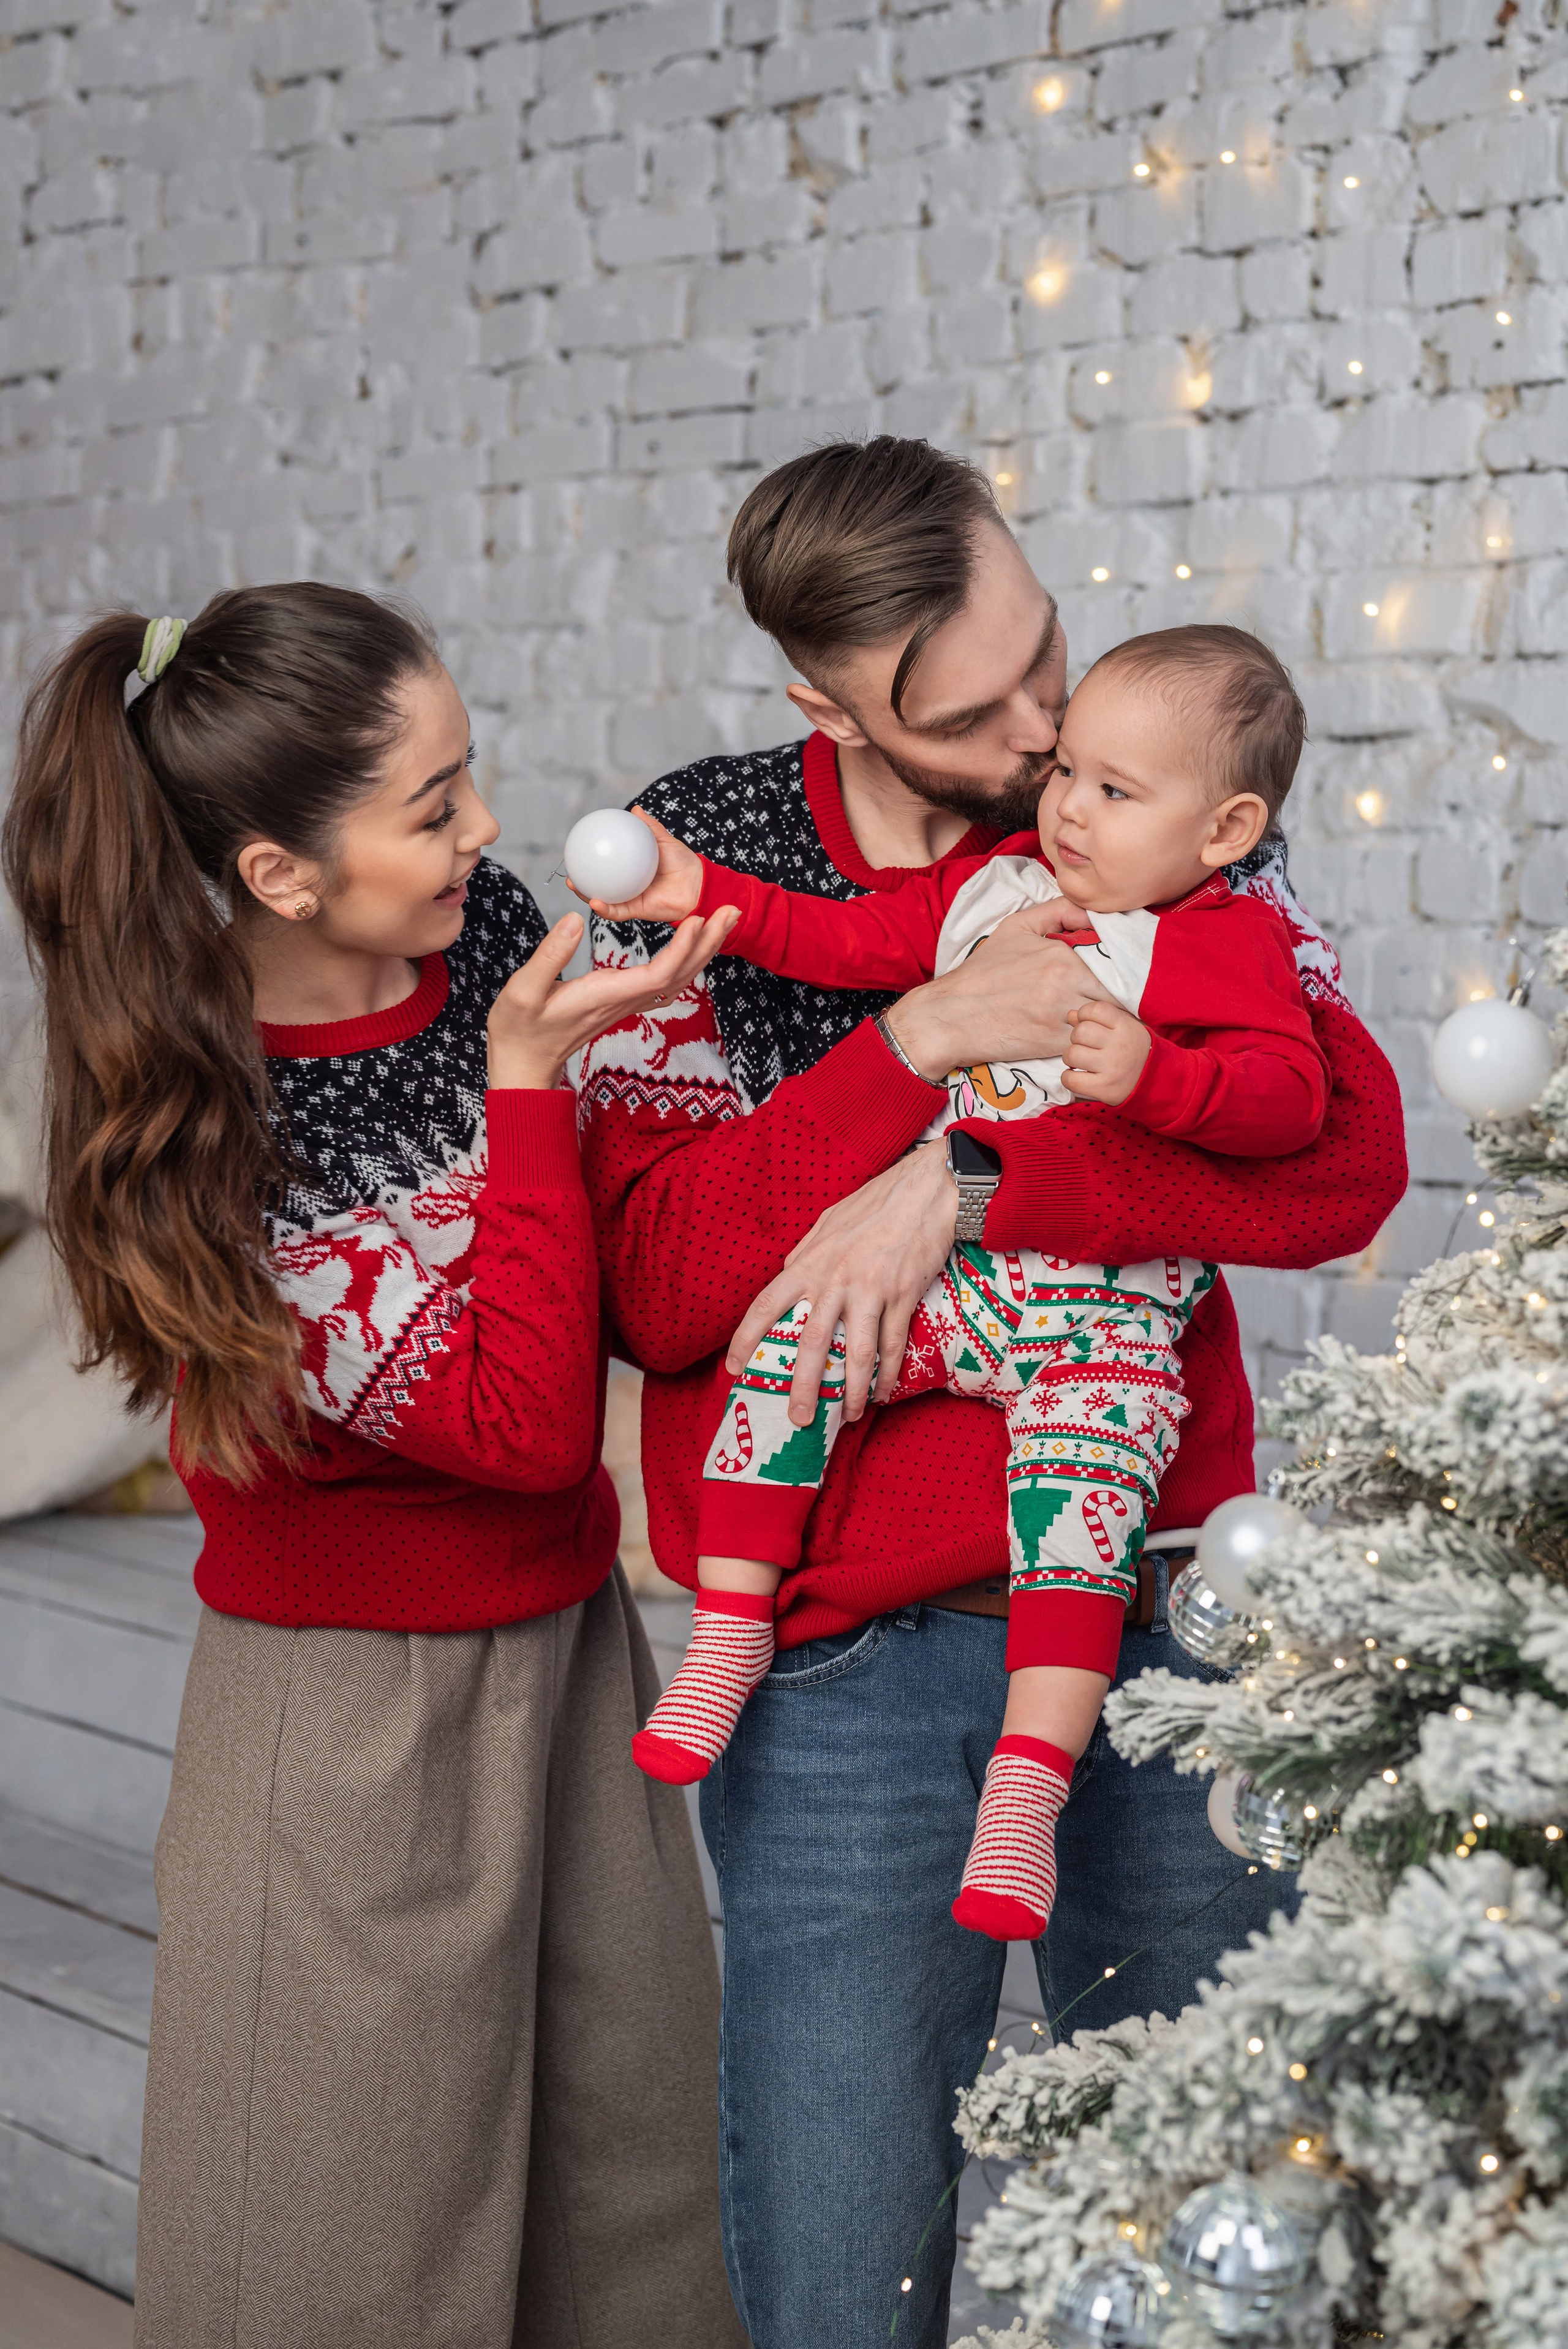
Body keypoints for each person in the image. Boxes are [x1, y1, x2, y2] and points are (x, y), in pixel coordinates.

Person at [578, 438, 1407, 2348]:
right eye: (977, 712)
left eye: (1046, 652)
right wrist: (918, 1050)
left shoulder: (1159, 806)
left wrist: (953, 1180)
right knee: (848, 2237)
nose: (1043, 734)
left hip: (1155, 1597)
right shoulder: (713, 864)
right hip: (836, 1651)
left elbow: (1338, 1170)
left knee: (1225, 2215)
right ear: (823, 701)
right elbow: (665, 1282)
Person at [1, 587, 747, 2349]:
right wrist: (531, 1092)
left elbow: (636, 1276)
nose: (489, 830)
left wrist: (863, 1068)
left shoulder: (486, 935)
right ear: (280, 874)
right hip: (343, 1731)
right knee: (337, 2274)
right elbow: (519, 1425)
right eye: (435, 803)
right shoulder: (207, 1129)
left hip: (576, 1672)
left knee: (635, 2235)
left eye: (469, 774)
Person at [600, 624, 1341, 1948]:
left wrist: (1158, 1082)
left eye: (1112, 794)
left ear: (1225, 828)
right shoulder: (997, 885)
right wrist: (702, 894)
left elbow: (1295, 1108)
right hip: (972, 1285)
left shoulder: (1219, 940)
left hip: (1103, 1315)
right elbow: (843, 940)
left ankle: (1024, 1785)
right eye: (1065, 775)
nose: (1061, 806)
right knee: (799, 1349)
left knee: (1082, 1504)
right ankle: (724, 1634)